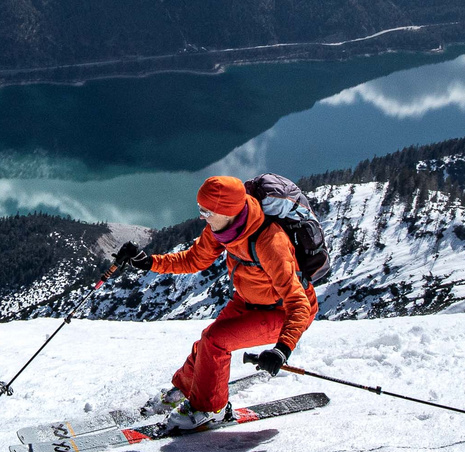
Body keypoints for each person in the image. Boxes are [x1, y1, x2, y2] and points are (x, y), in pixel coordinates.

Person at [114, 174, 317, 433]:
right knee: (207, 342)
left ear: (229, 211)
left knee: (215, 341)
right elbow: (194, 260)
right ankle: (187, 388)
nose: (201, 216)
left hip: (282, 311)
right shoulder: (220, 228)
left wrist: (282, 349)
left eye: (206, 211)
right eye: (201, 209)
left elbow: (298, 303)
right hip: (248, 300)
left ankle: (210, 409)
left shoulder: (270, 242)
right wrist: (149, 262)